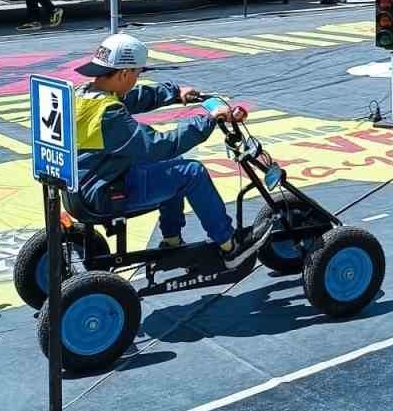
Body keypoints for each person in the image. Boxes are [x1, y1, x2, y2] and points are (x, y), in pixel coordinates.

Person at [73, 33, 271, 268]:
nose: (136, 80)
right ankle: (230, 247)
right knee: (192, 172)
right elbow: (158, 146)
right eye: (137, 74)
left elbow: (134, 98)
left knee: (173, 168)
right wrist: (208, 120)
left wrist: (174, 93)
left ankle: (172, 241)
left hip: (87, 179)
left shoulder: (84, 95)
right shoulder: (109, 114)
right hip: (104, 191)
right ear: (124, 73)